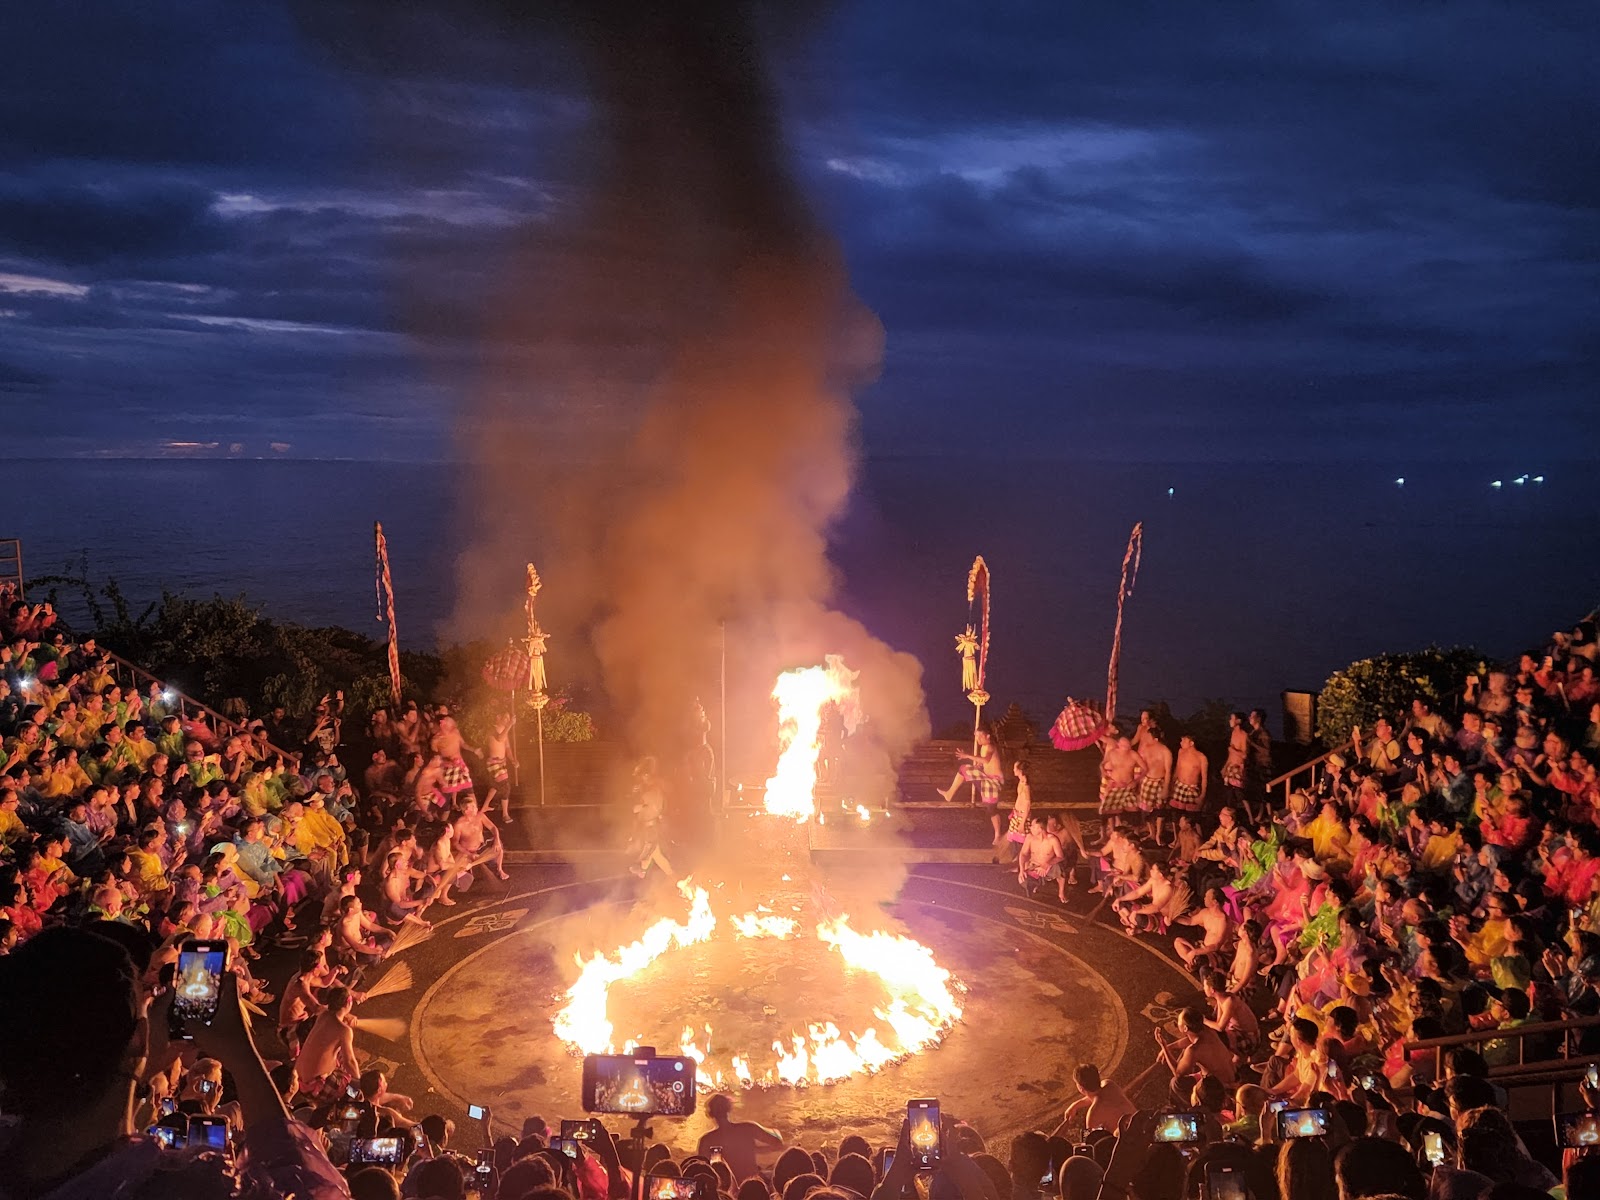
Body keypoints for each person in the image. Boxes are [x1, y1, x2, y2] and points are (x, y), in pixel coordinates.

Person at [0, 925, 349, 1198]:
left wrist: (136, 1063)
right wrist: (243, 1057)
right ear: (139, 1035)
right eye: (146, 1000)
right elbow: (307, 1188)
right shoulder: (181, 1188)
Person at [937, 729, 1006, 847]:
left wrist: (967, 755)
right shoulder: (983, 747)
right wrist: (978, 765)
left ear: (988, 736)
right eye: (976, 737)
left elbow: (986, 759)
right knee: (963, 769)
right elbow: (984, 763)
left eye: (980, 736)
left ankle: (997, 835)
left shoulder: (989, 746)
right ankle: (949, 794)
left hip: (994, 781)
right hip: (987, 778)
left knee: (991, 809)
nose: (978, 739)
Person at [695, 1093, 783, 1182]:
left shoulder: (706, 1140)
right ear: (728, 1108)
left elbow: (702, 1170)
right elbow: (778, 1142)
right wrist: (755, 1149)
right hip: (752, 1182)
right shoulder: (748, 1128)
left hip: (727, 1187)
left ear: (710, 1113)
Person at [1053, 1064, 1135, 1136]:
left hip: (1128, 1142)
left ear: (1081, 1088)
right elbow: (1097, 1097)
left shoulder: (1092, 1115)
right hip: (1140, 1125)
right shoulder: (1109, 1085)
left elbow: (1089, 1141)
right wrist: (1075, 1105)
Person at [1017, 817, 1066, 903]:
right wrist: (1021, 870)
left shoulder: (1052, 840)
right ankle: (1035, 885)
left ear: (1040, 829)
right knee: (1023, 880)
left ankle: (1061, 893)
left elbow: (1060, 856)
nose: (1030, 828)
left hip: (1048, 866)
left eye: (1032, 826)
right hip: (1034, 865)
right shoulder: (1029, 837)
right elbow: (1023, 854)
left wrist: (1047, 864)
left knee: (1060, 869)